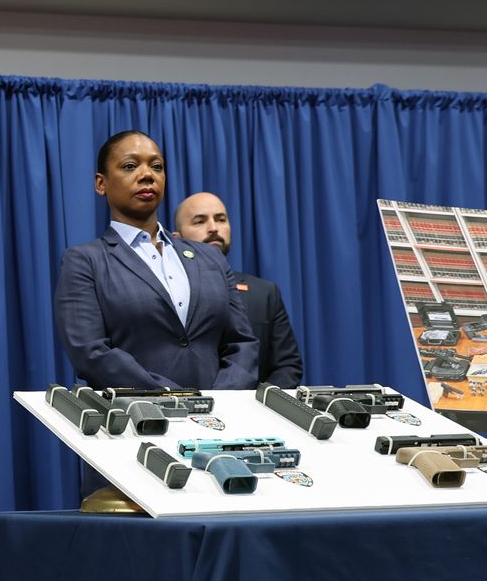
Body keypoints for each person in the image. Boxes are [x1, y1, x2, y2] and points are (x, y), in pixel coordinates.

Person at [55, 131, 258, 390]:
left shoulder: (210, 257)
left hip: (220, 420)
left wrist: (220, 401)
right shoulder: (85, 261)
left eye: (156, 166)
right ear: (100, 184)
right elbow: (90, 353)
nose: (148, 174)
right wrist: (175, 400)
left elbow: (242, 343)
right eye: (130, 166)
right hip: (140, 420)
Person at [175, 191, 304, 389]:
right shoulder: (167, 292)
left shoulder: (265, 293)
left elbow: (287, 366)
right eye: (200, 221)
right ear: (177, 238)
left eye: (221, 219)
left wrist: (258, 405)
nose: (213, 228)